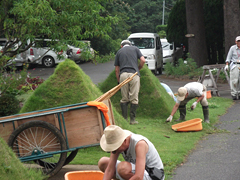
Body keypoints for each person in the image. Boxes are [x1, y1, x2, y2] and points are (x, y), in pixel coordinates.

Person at [98, 125, 164, 180]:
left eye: (116, 147)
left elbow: (139, 176)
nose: (115, 151)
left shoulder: (140, 144)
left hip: (153, 175)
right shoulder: (117, 148)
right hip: (139, 172)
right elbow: (110, 170)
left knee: (123, 168)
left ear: (125, 141)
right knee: (103, 162)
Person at [115, 40, 145, 125]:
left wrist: (118, 81)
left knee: (124, 98)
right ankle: (133, 120)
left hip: (123, 75)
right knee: (134, 97)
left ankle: (124, 119)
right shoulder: (135, 49)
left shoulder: (119, 52)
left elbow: (117, 69)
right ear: (130, 45)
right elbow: (143, 60)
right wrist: (138, 69)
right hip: (134, 75)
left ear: (121, 46)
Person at [224, 36, 240, 100]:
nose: (239, 42)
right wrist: (227, 65)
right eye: (238, 41)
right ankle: (234, 93)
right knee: (234, 80)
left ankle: (239, 93)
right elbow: (228, 57)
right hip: (235, 64)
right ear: (235, 42)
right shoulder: (232, 48)